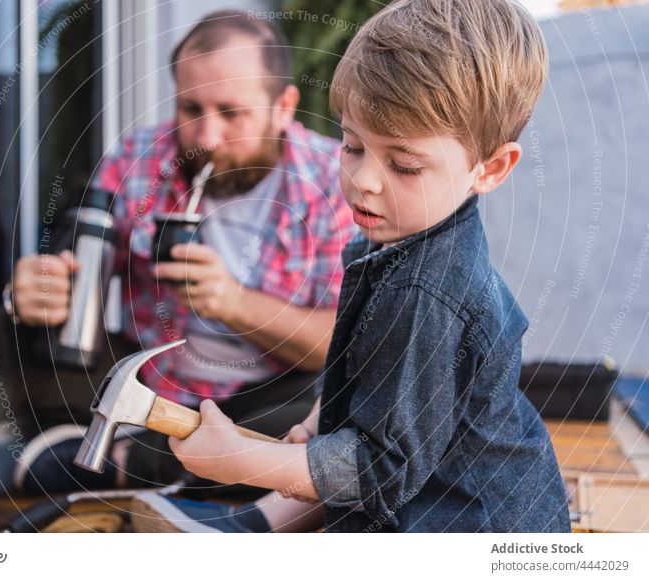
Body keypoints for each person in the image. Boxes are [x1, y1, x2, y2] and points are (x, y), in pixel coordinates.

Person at [0, 10, 354, 531]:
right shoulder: (142, 160)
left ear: (283, 106)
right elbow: (80, 262)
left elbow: (337, 342)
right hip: (144, 376)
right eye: (191, 108)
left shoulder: (333, 185)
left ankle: (122, 462)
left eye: (231, 113)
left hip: (264, 398)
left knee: (330, 423)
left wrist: (235, 303)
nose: (207, 136)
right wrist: (40, 291)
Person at [131, 0, 572, 533]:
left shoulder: (426, 291)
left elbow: (380, 469)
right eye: (352, 145)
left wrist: (240, 462)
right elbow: (367, 372)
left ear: (491, 168)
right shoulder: (387, 240)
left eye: (404, 165)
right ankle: (247, 529)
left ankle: (242, 530)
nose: (364, 179)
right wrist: (322, 419)